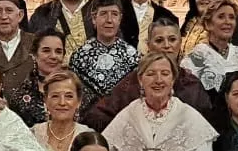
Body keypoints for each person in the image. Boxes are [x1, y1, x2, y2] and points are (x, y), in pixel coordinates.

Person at [84, 18, 213, 129]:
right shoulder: (133, 81)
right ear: (148, 45)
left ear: (180, 43)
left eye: (172, 39)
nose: (167, 45)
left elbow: (206, 124)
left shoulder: (192, 84)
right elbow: (98, 116)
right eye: (159, 40)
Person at [70, 0, 141, 109]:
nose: (109, 20)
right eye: (103, 14)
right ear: (94, 18)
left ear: (120, 19)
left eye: (114, 14)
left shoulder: (133, 57)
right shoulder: (79, 57)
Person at [182, 0, 238, 95]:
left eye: (231, 17)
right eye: (221, 17)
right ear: (208, 24)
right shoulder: (194, 58)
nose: (228, 22)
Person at [4, 30, 68, 127]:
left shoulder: (77, 90)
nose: (53, 56)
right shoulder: (20, 96)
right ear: (34, 54)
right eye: (46, 51)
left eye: (58, 51)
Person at [31, 71, 90, 151]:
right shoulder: (33, 135)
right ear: (45, 100)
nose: (62, 102)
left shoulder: (88, 138)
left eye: (69, 96)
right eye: (55, 96)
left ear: (78, 101)